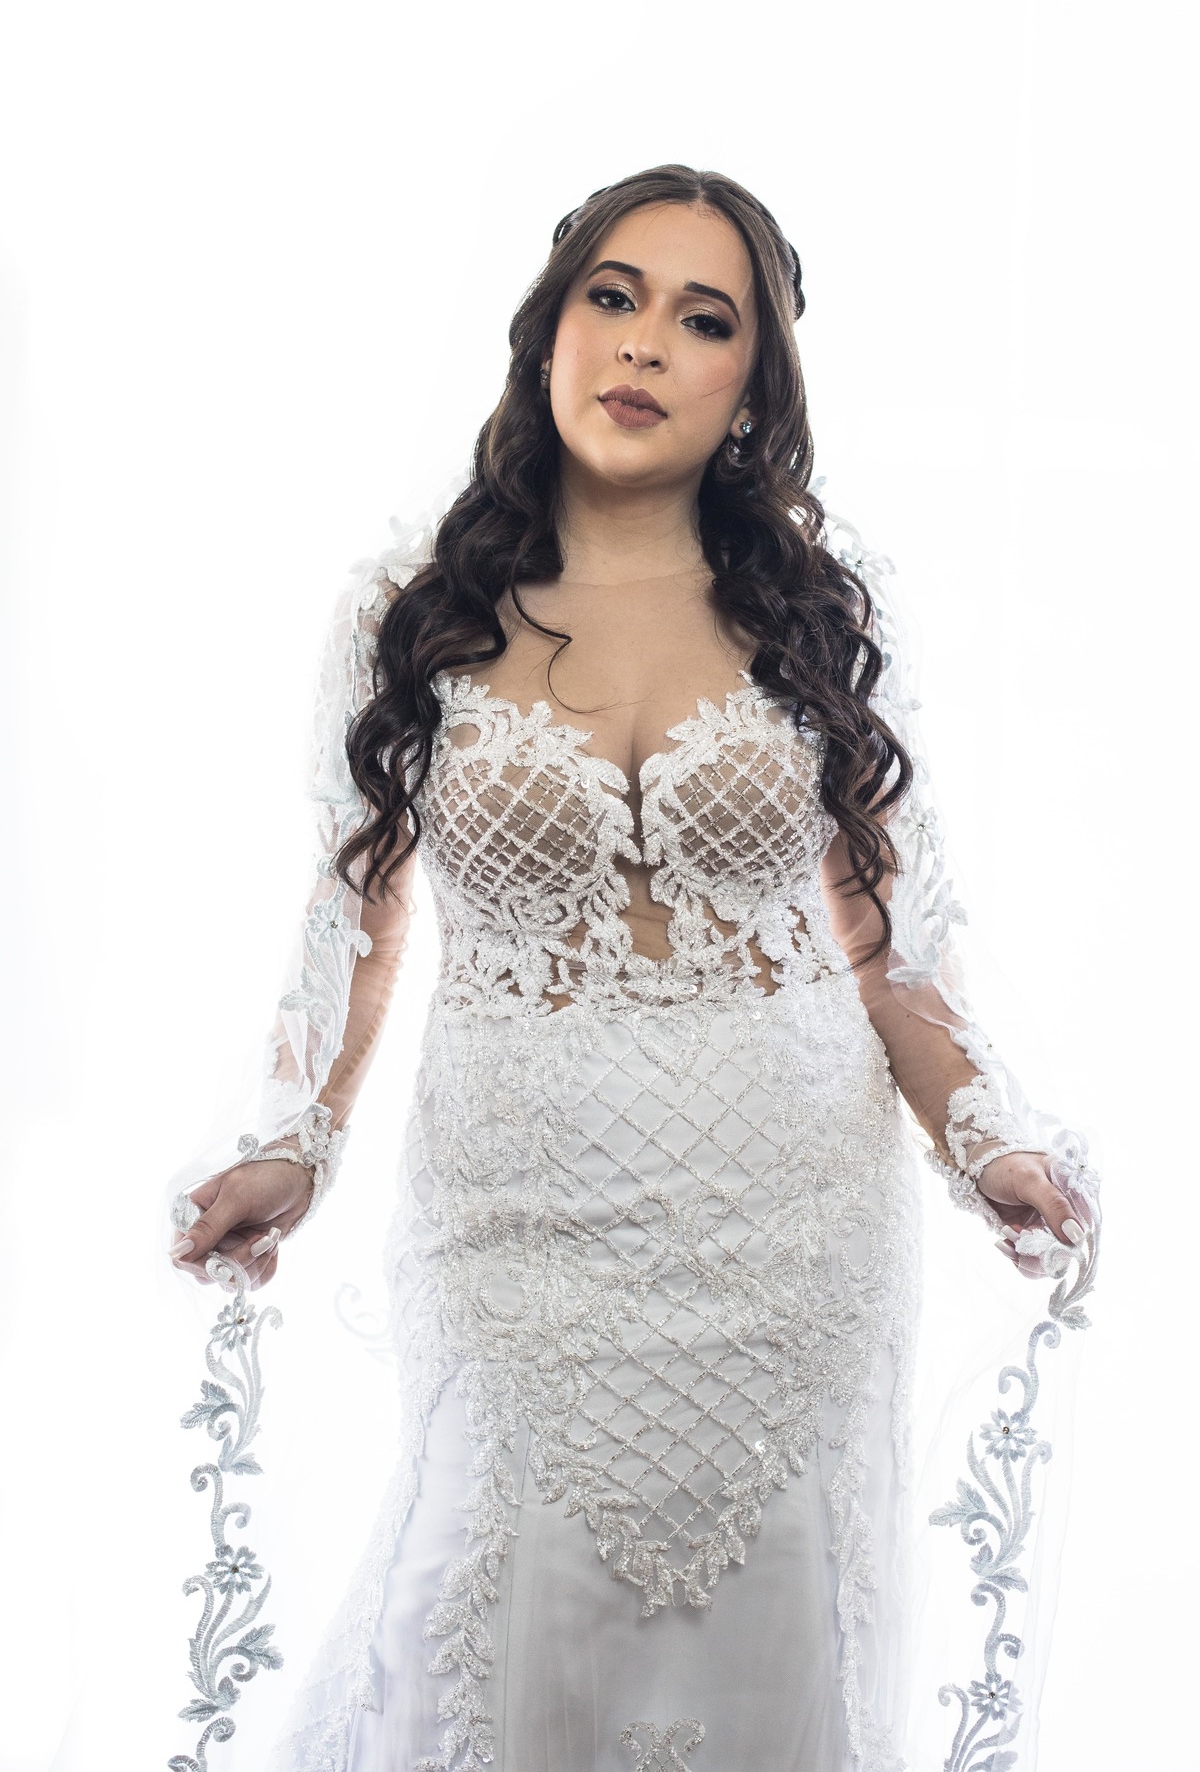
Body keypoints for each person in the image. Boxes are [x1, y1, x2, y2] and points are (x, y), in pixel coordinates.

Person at [167, 163, 1100, 1772]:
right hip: (517, 1234)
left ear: (754, 385)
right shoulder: (410, 611)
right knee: (484, 1621)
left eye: (703, 317)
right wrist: (291, 1141)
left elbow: (890, 943)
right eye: (614, 296)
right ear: (550, 331)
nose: (647, 342)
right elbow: (355, 915)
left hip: (795, 1241)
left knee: (773, 1662)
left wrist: (988, 1141)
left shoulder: (819, 613)